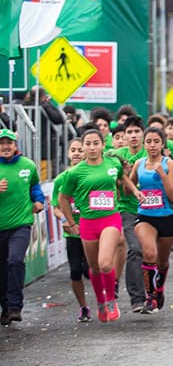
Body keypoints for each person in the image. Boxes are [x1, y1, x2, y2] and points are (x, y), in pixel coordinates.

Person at [59, 129, 143, 323]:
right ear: (83, 147)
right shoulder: (74, 172)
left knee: (105, 263)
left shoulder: (112, 163)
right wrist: (72, 223)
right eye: (87, 144)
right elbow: (63, 199)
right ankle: (100, 302)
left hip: (110, 219)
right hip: (88, 222)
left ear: (102, 145)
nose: (92, 147)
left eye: (95, 143)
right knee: (94, 268)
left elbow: (122, 177)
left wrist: (134, 190)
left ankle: (111, 300)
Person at [130, 127, 173, 313]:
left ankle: (159, 289)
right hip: (145, 216)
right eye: (149, 141)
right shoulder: (139, 164)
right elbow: (128, 188)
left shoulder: (170, 164)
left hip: (166, 216)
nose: (152, 145)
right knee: (149, 253)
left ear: (162, 144)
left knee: (162, 262)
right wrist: (128, 182)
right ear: (144, 144)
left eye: (156, 142)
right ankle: (150, 297)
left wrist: (163, 175)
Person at [0, 129, 46, 325]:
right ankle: (5, 308)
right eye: (1, 143)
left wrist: (38, 201)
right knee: (2, 268)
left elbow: (35, 187)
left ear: (15, 145)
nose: (5, 147)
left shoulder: (28, 165)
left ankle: (14, 306)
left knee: (15, 260)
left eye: (9, 143)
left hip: (21, 224)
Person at [52, 137, 92, 321]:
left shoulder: (91, 175)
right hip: (73, 232)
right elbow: (56, 207)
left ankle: (104, 298)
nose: (76, 153)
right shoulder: (61, 179)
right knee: (75, 271)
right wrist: (66, 220)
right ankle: (83, 308)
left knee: (90, 270)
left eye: (79, 149)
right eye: (73, 150)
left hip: (91, 229)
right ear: (68, 153)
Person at [112, 115, 148, 313]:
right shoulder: (115, 156)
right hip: (126, 208)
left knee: (153, 255)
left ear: (143, 134)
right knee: (134, 249)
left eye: (136, 131)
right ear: (124, 136)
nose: (133, 135)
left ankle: (153, 292)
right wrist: (121, 179)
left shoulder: (151, 151)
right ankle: (137, 298)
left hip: (153, 210)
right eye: (129, 132)